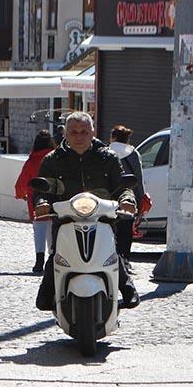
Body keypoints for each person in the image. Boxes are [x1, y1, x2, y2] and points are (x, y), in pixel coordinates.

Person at [34, 112, 139, 312]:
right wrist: (41, 203)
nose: (79, 136)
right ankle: (46, 292)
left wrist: (127, 199)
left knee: (112, 251)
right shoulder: (53, 160)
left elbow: (122, 185)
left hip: (102, 218)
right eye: (73, 132)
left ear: (92, 132)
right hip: (66, 219)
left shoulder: (107, 157)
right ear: (65, 133)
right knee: (57, 254)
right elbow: (42, 188)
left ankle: (126, 287)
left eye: (84, 131)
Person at [14, 129, 56, 273]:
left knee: (39, 230)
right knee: (52, 230)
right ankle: (53, 260)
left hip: (36, 201)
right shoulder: (56, 159)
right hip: (55, 200)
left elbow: (22, 183)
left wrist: (20, 195)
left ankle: (39, 261)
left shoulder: (32, 161)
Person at [107, 125, 144, 266]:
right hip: (129, 198)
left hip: (108, 198)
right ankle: (124, 260)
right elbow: (138, 180)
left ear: (114, 137)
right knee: (126, 231)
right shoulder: (133, 154)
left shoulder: (106, 151)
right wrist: (140, 203)